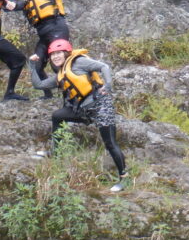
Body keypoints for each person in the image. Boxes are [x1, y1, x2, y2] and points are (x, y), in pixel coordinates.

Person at [29, 39, 128, 191]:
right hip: (82, 110)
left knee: (110, 143)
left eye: (58, 53)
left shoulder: (79, 62)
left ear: (66, 53)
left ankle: (123, 178)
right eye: (53, 55)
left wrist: (108, 85)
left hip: (100, 106)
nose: (55, 57)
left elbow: (104, 66)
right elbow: (39, 85)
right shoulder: (61, 74)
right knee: (57, 116)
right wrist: (32, 65)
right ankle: (56, 152)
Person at [15, 0, 84, 98]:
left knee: (58, 64)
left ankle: (71, 95)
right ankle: (48, 94)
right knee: (37, 64)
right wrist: (7, 4)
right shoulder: (27, 2)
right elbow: (15, 6)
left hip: (57, 28)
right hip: (44, 36)